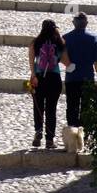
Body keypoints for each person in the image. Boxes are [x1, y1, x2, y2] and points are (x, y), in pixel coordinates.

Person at [27, 20, 65, 149]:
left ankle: (38, 132)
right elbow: (63, 60)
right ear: (54, 29)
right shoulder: (59, 43)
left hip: (39, 78)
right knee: (51, 109)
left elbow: (31, 60)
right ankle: (49, 139)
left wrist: (33, 75)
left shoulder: (36, 42)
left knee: (38, 106)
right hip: (54, 78)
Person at [62, 13, 97, 127]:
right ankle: (83, 134)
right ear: (86, 23)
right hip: (87, 77)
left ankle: (72, 131)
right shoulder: (92, 38)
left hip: (71, 78)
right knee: (86, 108)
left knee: (71, 107)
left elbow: (61, 57)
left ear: (73, 23)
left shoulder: (65, 38)